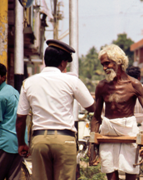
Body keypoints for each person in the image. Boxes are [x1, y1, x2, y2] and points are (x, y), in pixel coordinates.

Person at [16, 39, 95, 180]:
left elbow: (21, 118)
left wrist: (22, 143)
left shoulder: (28, 83)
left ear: (45, 60)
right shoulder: (72, 81)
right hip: (65, 140)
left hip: (39, 140)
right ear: (63, 62)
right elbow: (91, 107)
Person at [90, 45, 143, 180]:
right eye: (102, 64)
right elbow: (96, 118)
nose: (104, 68)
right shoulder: (102, 86)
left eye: (107, 63)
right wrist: (92, 144)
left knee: (131, 174)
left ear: (118, 62)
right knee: (111, 177)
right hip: (107, 131)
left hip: (128, 130)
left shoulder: (134, 85)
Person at [0, 63, 25, 180]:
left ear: (3, 77)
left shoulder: (0, 96)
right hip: (18, 142)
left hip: (3, 143)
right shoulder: (13, 91)